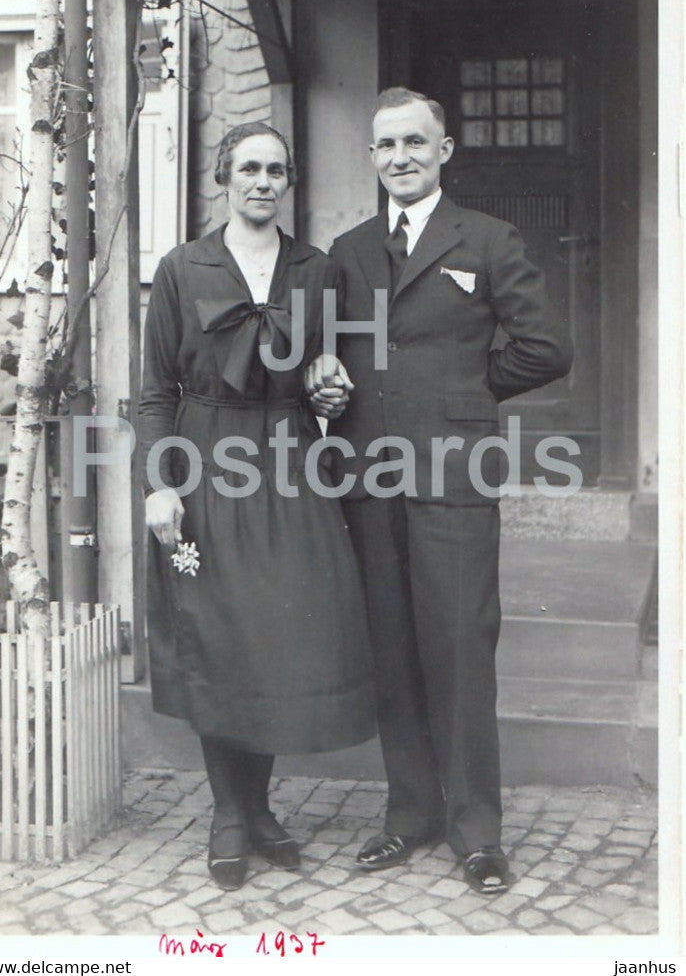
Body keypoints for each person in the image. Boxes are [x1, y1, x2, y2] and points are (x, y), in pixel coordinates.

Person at [306, 87, 573, 894]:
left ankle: (477, 831)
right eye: (386, 146)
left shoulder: (488, 240)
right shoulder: (346, 252)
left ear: (445, 150)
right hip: (369, 478)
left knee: (459, 644)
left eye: (415, 144)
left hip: (453, 474)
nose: (400, 159)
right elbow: (329, 354)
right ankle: (409, 814)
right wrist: (325, 379)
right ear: (373, 156)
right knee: (392, 644)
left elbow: (547, 348)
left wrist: (468, 395)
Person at [138, 121, 375, 892]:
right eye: (248, 168)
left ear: (289, 182)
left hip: (290, 461)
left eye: (276, 169)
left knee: (276, 632)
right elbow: (154, 394)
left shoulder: (317, 269)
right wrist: (160, 483)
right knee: (217, 630)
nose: (262, 181)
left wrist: (330, 391)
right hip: (207, 461)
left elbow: (328, 374)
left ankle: (261, 806)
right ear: (222, 178)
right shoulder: (183, 267)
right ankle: (229, 814)